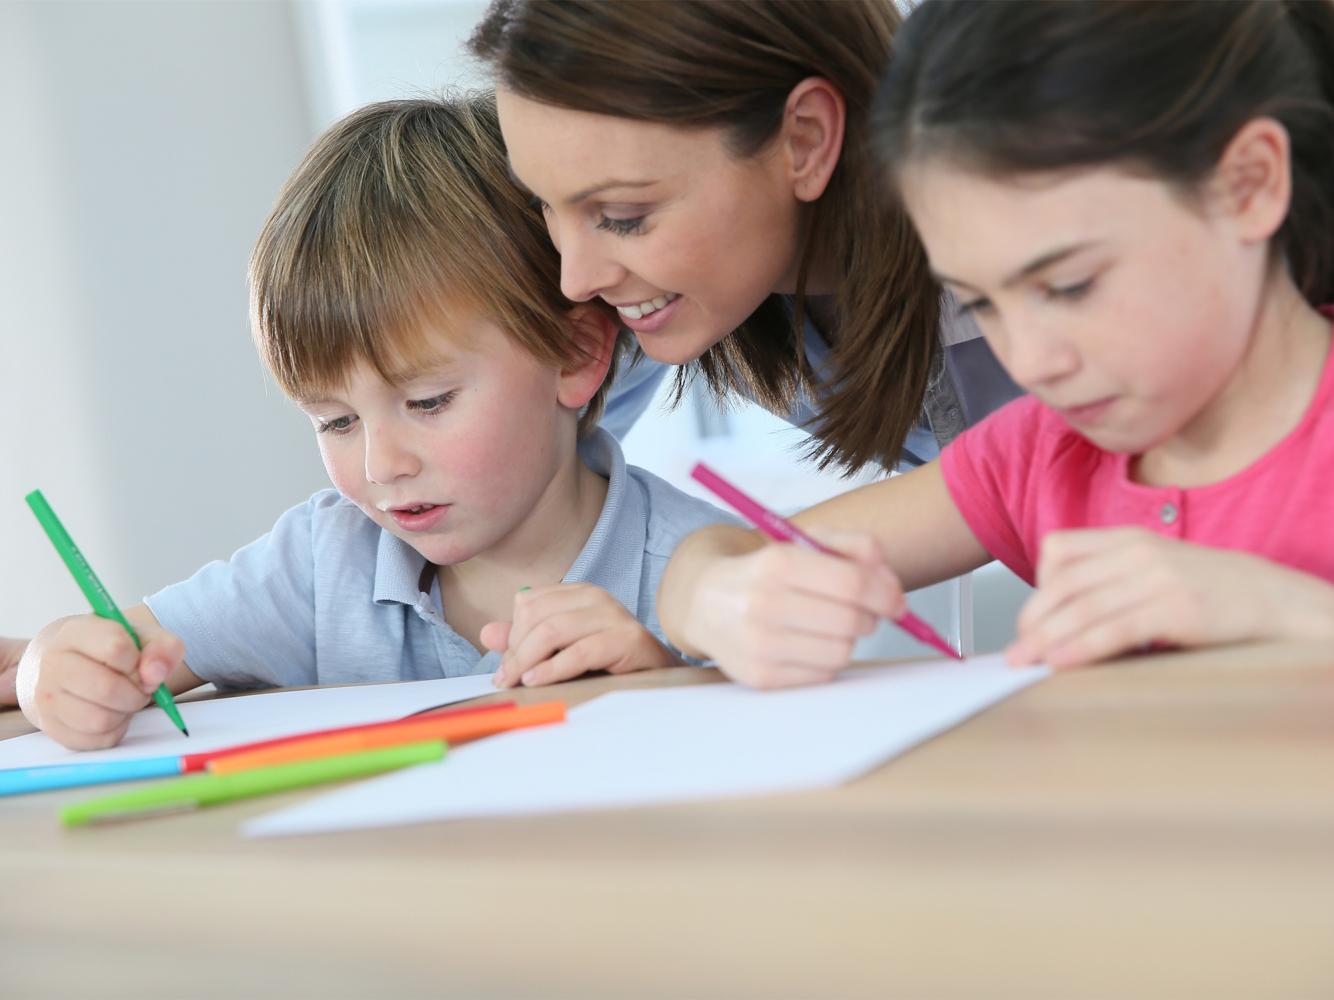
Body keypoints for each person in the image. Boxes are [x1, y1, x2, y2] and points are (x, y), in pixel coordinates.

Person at [16, 95, 733, 749]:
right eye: (334, 421)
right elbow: (114, 647)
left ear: (575, 354)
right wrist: (54, 670)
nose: (380, 465)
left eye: (428, 403)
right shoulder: (319, 562)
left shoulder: (701, 567)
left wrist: (659, 681)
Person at [656, 0, 1334, 688]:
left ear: (1248, 185)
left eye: (1069, 286)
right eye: (981, 303)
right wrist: (712, 600)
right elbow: (720, 557)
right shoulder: (1037, 454)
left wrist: (1284, 608)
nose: (1032, 362)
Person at [469, 0, 1021, 475]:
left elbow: (1035, 475)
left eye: (624, 214)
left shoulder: (1026, 201)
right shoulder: (668, 281)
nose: (578, 279)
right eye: (544, 202)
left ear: (804, 139)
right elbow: (526, 472)